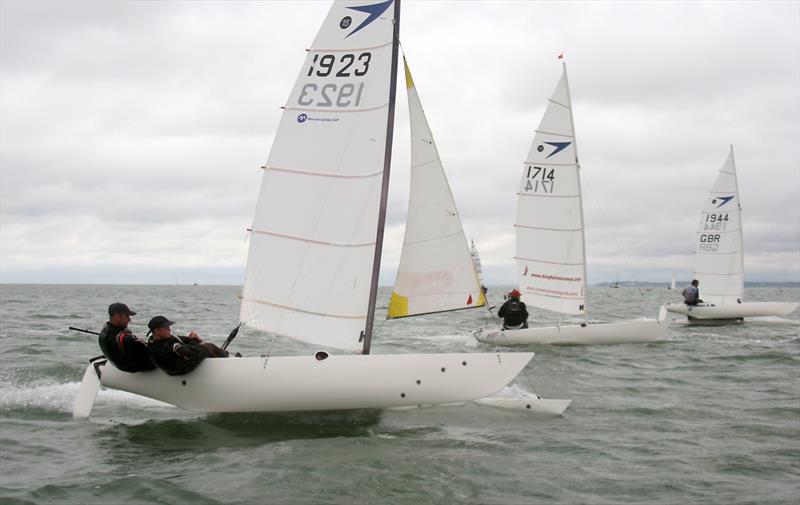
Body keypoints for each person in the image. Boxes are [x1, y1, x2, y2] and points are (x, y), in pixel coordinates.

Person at [147, 316, 229, 376]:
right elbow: (191, 354)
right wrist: (194, 341)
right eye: (166, 327)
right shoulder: (168, 347)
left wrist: (190, 338)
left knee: (198, 345)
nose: (169, 329)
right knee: (208, 347)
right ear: (156, 330)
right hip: (180, 368)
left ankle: (222, 354)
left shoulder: (154, 341)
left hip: (176, 362)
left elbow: (178, 339)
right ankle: (226, 360)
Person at [98, 303, 156, 373]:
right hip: (135, 368)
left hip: (118, 364)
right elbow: (153, 353)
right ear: (117, 316)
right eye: (127, 316)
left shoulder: (104, 331)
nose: (129, 319)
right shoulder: (126, 339)